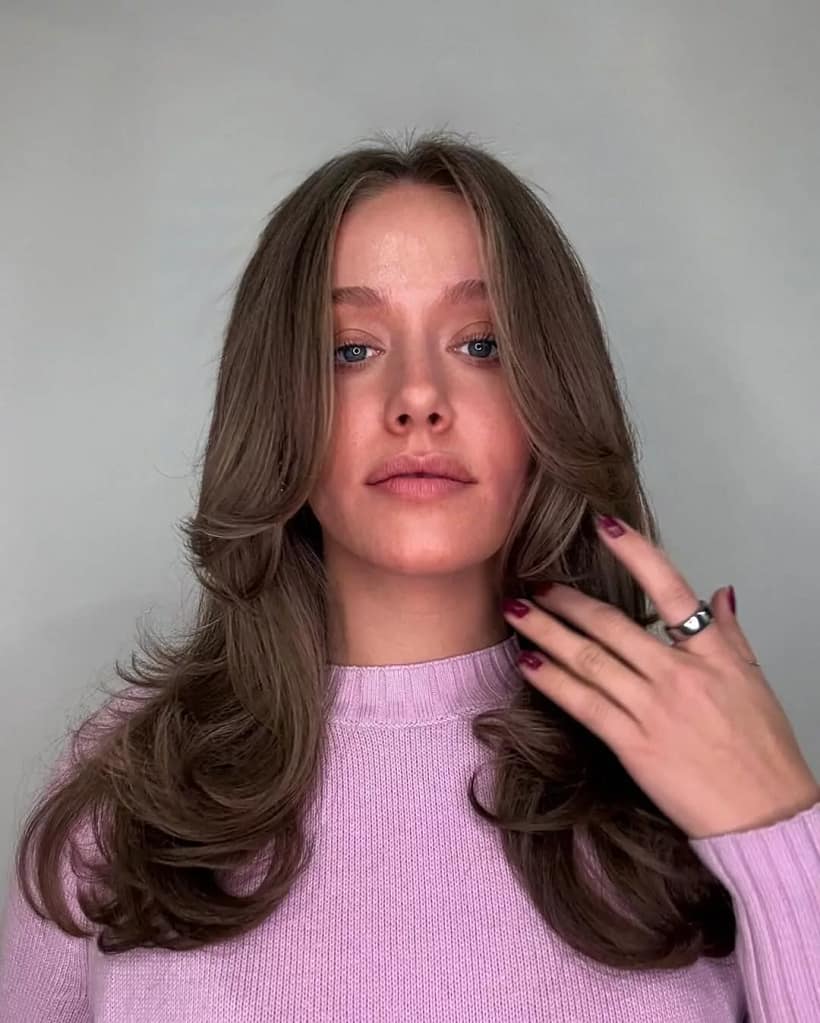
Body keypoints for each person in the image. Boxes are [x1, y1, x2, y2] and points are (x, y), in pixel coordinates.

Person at [1, 129, 817, 1022]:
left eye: (482, 344)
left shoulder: (696, 762)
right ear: (278, 409)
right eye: (351, 350)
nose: (418, 397)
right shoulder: (130, 790)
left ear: (551, 395)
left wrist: (779, 828)